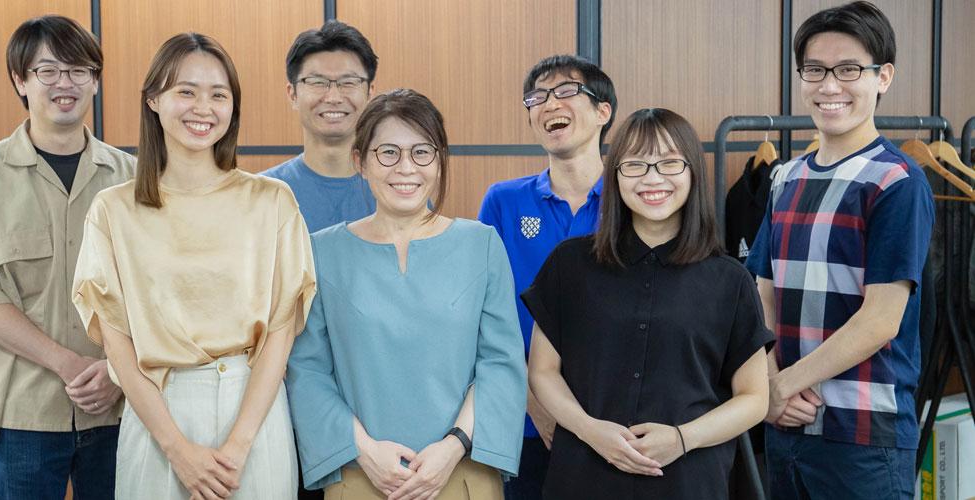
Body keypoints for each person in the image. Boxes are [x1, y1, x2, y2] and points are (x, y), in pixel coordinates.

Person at [71, 33, 315, 499]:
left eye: (218, 95)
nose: (203, 108)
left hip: (254, 413)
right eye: (186, 91)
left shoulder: (272, 201)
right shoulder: (113, 210)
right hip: (158, 416)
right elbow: (118, 344)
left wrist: (240, 445)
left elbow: (281, 330)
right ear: (153, 99)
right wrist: (177, 449)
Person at [286, 89, 526, 500]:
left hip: (462, 471)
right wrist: (365, 451)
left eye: (422, 152)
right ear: (360, 162)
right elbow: (307, 370)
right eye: (388, 153)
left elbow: (501, 365)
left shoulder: (481, 244)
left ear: (440, 159)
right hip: (362, 474)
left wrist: (453, 447)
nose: (406, 168)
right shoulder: (321, 251)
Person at [524, 108, 773, 499]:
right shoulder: (569, 264)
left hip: (688, 482)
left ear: (692, 172)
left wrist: (682, 438)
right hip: (584, 478)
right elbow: (542, 372)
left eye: (670, 163)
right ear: (615, 175)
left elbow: (755, 398)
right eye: (635, 164)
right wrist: (590, 430)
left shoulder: (730, 280)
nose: (653, 178)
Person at [0, 15, 134, 499]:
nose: (65, 83)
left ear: (95, 81)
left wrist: (117, 372)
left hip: (120, 407)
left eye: (79, 70)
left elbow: (154, 291)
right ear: (20, 80)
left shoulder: (131, 177)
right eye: (48, 71)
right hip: (22, 414)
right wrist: (68, 364)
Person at [745, 2, 935, 499]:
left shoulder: (897, 181)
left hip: (863, 438)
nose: (829, 86)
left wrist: (783, 385)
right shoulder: (785, 177)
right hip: (786, 426)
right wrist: (769, 384)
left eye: (848, 69)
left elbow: (880, 321)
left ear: (883, 76)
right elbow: (761, 293)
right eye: (815, 70)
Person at [477, 54, 616, 499]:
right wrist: (534, 402)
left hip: (614, 422)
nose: (549, 104)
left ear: (603, 111)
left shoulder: (631, 199)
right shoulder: (503, 202)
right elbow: (484, 316)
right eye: (537, 97)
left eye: (566, 91)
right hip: (525, 423)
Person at [263, 20, 378, 233]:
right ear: (293, 94)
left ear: (370, 92)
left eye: (348, 82)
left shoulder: (397, 189)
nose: (333, 97)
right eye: (317, 82)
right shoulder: (263, 193)